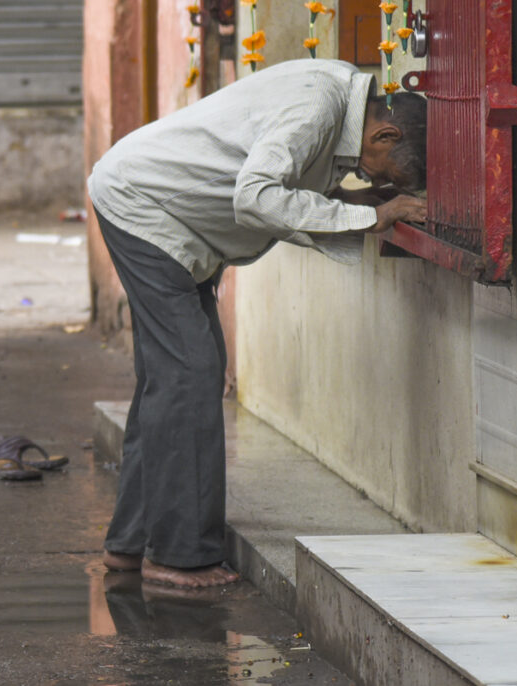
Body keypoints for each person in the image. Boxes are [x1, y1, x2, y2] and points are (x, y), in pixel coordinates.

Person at [88, 58, 427, 588]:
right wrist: (371, 214)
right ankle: (177, 555)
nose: (371, 176)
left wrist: (357, 201)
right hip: (144, 208)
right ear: (384, 131)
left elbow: (284, 183)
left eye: (379, 180)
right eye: (381, 170)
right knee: (191, 374)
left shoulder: (337, 100)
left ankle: (129, 544)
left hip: (166, 213)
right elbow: (257, 196)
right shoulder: (318, 106)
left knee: (173, 379)